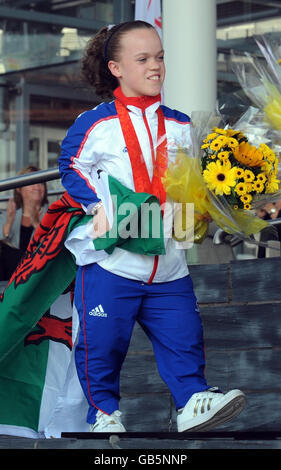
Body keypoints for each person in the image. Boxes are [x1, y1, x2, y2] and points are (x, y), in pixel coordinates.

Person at [59, 20, 246, 433]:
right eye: (142, 59)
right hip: (113, 261)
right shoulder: (95, 123)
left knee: (185, 338)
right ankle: (103, 415)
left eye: (159, 57)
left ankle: (193, 401)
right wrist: (95, 205)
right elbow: (70, 167)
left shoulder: (183, 125)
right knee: (100, 347)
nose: (155, 66)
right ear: (116, 68)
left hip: (169, 262)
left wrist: (219, 203)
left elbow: (201, 183)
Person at [0, 165, 48, 280]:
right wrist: (9, 224)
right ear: (19, 188)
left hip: (37, 272)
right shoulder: (8, 215)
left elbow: (52, 246)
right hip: (10, 274)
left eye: (41, 183)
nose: (37, 186)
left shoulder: (53, 214)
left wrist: (37, 224)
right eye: (33, 182)